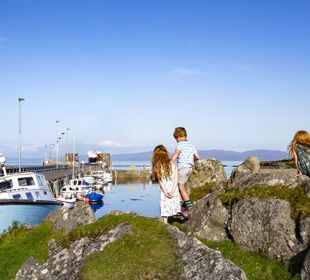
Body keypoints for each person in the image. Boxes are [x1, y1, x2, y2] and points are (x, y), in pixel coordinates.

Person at [171, 127, 200, 217]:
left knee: (180, 187)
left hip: (182, 168)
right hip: (189, 168)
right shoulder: (191, 145)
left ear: (178, 137)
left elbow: (174, 158)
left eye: (176, 139)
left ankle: (188, 207)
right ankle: (181, 207)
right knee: (180, 187)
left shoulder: (180, 145)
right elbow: (198, 157)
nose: (176, 141)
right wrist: (191, 159)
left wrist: (169, 163)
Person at [152, 145, 180, 224]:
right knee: (172, 205)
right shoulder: (173, 164)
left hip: (165, 189)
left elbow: (160, 181)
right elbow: (176, 179)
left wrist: (165, 191)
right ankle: (170, 221)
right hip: (173, 188)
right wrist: (173, 190)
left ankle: (165, 223)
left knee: (165, 207)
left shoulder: (158, 166)